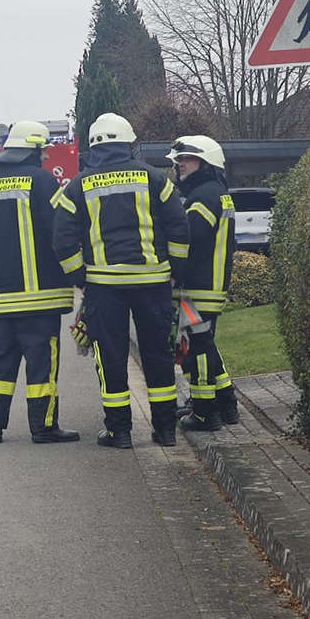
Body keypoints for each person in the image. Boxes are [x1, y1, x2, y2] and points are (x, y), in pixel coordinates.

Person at [54, 113, 191, 449]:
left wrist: (81, 278)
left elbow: (61, 239)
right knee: (157, 354)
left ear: (93, 146)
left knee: (111, 356)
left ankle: (120, 432)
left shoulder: (78, 185)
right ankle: (166, 430)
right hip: (153, 282)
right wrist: (175, 269)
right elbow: (178, 226)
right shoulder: (154, 177)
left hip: (104, 286)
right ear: (129, 142)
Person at [0, 122, 80, 444]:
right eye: (42, 149)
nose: (45, 155)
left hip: (2, 299)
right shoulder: (43, 181)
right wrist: (75, 273)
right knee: (41, 365)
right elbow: (60, 230)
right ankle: (43, 427)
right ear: (32, 149)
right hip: (41, 298)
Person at [169, 135, 239, 431]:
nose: (180, 164)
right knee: (206, 346)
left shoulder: (203, 197)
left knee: (195, 349)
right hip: (209, 286)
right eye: (179, 160)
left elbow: (189, 241)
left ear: (206, 162)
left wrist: (171, 270)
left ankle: (204, 412)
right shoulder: (215, 193)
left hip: (196, 288)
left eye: (187, 159)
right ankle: (226, 402)